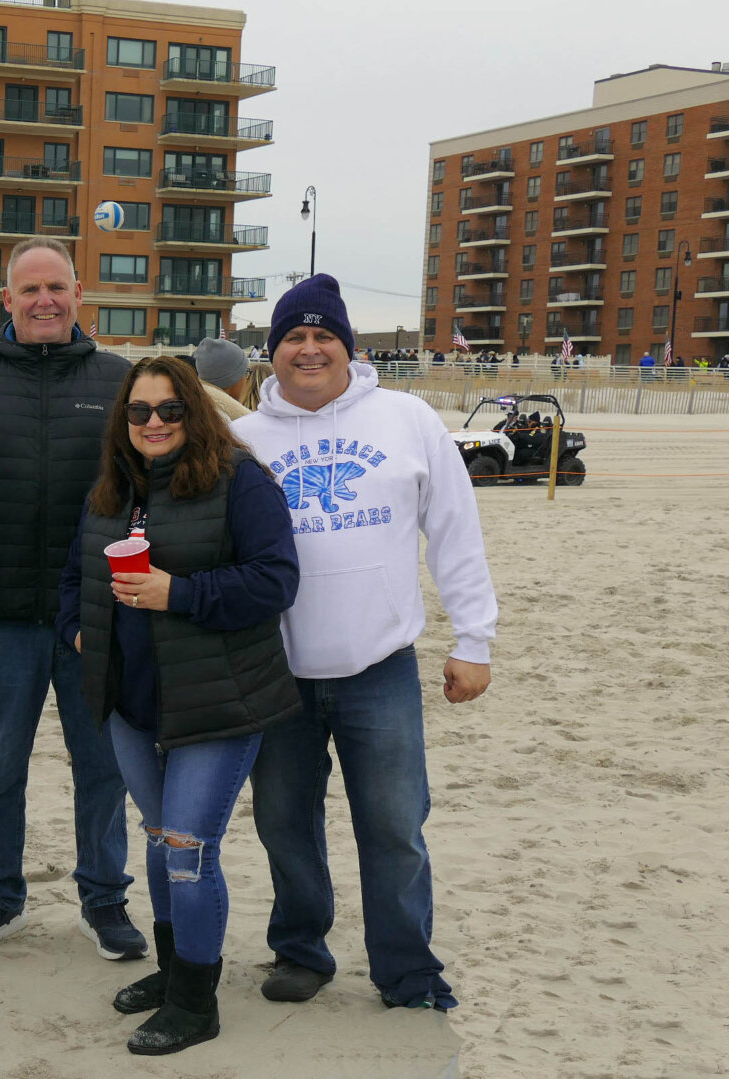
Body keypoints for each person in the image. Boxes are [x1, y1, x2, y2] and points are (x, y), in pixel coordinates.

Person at [230, 274, 497, 1013]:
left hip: (378, 667)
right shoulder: (243, 439)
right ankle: (301, 949)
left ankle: (407, 968)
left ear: (348, 347)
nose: (308, 350)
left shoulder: (406, 420)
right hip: (274, 673)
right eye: (292, 337)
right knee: (285, 821)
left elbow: (454, 535)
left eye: (323, 337)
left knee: (394, 825)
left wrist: (473, 638)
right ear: (272, 352)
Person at [58, 356, 300, 1054]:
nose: (155, 422)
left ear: (194, 412)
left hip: (218, 700)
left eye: (169, 409)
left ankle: (197, 1003)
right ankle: (172, 973)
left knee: (190, 848)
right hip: (132, 704)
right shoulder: (110, 490)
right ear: (123, 420)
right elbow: (75, 575)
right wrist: (78, 630)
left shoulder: (240, 482)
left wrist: (180, 593)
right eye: (140, 411)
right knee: (161, 838)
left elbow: (275, 580)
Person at [0, 236, 144, 960]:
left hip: (97, 616)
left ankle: (104, 898)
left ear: (80, 295)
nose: (45, 300)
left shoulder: (119, 378)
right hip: (3, 614)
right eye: (30, 290)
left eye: (57, 287)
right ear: (7, 302)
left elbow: (155, 480)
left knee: (102, 764)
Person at [192, 336, 250, 421]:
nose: (246, 379)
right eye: (246, 372)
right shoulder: (225, 425)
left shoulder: (195, 410)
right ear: (232, 379)